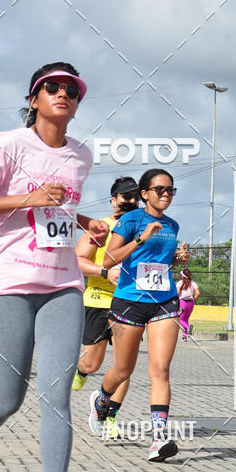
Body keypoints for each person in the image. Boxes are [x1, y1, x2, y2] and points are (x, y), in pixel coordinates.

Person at [0, 61, 108, 472]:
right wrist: (28, 196)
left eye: (72, 90)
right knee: (9, 396)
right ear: (34, 98)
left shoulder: (82, 154)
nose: (63, 94)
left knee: (56, 395)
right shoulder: (6, 144)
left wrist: (84, 220)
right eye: (53, 88)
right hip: (10, 281)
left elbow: (56, 207)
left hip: (63, 283)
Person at [88, 169, 189, 462]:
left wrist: (176, 259)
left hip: (164, 301)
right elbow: (109, 259)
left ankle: (158, 439)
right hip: (129, 301)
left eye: (171, 189)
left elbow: (158, 261)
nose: (166, 194)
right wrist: (141, 239)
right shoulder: (130, 220)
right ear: (144, 194)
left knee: (160, 370)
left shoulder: (172, 225)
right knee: (123, 370)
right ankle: (102, 401)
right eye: (160, 189)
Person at [71, 176, 140, 438]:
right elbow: (77, 260)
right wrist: (103, 271)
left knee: (124, 366)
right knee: (93, 363)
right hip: (98, 300)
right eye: (125, 196)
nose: (130, 200)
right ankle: (81, 368)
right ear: (113, 200)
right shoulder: (100, 228)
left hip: (131, 302)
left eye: (135, 196)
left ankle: (107, 414)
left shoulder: (143, 229)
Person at [177, 269, 200, 341]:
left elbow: (177, 293)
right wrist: (193, 298)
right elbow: (198, 293)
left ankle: (188, 327)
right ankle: (184, 336)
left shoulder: (180, 283)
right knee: (186, 319)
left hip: (182, 302)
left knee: (180, 319)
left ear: (183, 276)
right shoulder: (193, 283)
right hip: (191, 303)